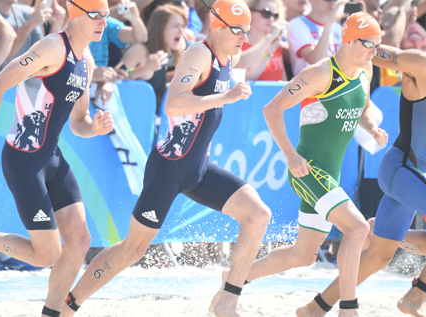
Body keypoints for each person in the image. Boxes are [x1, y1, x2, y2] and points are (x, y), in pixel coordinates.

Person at [63, 1, 271, 316]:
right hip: (170, 167)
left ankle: (228, 299)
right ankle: (69, 304)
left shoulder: (230, 53)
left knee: (258, 215)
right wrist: (226, 97)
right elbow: (174, 104)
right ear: (216, 27)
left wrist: (271, 41)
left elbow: (246, 54)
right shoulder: (199, 54)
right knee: (132, 250)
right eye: (236, 30)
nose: (244, 37)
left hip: (199, 168)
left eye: (246, 30)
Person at [0, 0, 114, 316]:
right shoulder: (51, 48)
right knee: (47, 254)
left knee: (79, 239)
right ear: (74, 13)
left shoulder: (85, 59)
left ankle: (52, 313)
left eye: (107, 15)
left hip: (52, 156)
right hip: (23, 159)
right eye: (96, 15)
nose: (103, 21)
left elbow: (79, 122)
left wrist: (95, 128)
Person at [210, 12, 388, 317]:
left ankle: (233, 281)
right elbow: (272, 109)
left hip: (329, 174)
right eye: (370, 44)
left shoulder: (365, 69)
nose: (375, 51)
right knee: (358, 229)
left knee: (303, 254)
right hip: (308, 171)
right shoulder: (320, 73)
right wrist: (291, 155)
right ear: (349, 40)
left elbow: (364, 108)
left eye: (378, 44)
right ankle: (348, 310)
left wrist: (372, 128)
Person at [296, 22, 426, 317]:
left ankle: (316, 307)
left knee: (379, 255)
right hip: (401, 169)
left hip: (420, 175)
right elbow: (369, 51)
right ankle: (418, 296)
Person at [117, 4, 187, 109]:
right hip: (130, 113)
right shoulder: (139, 50)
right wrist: (145, 69)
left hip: (151, 117)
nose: (181, 32)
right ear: (161, 29)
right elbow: (117, 77)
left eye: (183, 26)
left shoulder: (169, 52)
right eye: (176, 26)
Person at [286, 0, 346, 76]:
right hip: (309, 85)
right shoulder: (297, 24)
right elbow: (316, 61)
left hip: (338, 83)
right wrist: (328, 23)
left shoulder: (337, 26)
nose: (332, 3)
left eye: (335, 0)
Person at [239, 0, 288, 81]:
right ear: (250, 12)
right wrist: (270, 36)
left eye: (275, 15)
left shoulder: (275, 44)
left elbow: (283, 81)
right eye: (266, 13)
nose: (272, 19)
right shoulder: (239, 43)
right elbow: (242, 65)